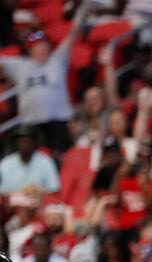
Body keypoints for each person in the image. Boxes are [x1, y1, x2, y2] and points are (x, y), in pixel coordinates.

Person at [0, 9, 90, 155]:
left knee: (61, 157)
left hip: (59, 121)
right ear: (30, 50)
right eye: (38, 46)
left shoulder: (58, 60)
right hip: (31, 124)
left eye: (44, 44)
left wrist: (85, 10)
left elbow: (73, 34)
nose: (43, 48)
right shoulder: (20, 66)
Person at [0, 127, 60, 196]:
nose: (24, 144)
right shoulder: (5, 164)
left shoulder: (46, 162)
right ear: (15, 143)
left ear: (34, 142)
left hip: (39, 204)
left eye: (27, 140)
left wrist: (37, 194)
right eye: (21, 141)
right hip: (9, 204)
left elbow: (54, 190)